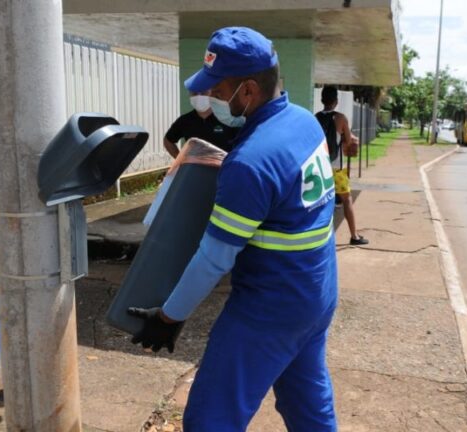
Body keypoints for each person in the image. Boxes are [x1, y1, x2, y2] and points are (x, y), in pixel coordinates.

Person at [127, 27, 338, 431]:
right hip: (316, 294)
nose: (212, 98)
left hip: (268, 310)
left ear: (247, 91)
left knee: (211, 418)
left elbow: (213, 258)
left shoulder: (251, 161)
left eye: (219, 90)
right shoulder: (304, 122)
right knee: (307, 405)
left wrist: (169, 317)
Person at [315, 86, 369, 245]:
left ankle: (319, 236)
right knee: (346, 200)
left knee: (320, 202)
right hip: (336, 168)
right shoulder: (341, 118)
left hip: (319, 166)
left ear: (322, 100)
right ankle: (354, 236)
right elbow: (348, 140)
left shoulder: (315, 117)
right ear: (336, 101)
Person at [163, 90, 239, 158]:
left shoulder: (228, 118)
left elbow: (244, 142)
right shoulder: (185, 120)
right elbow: (168, 140)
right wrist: (180, 160)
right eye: (195, 93)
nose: (199, 96)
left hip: (223, 169)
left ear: (212, 94)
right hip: (195, 170)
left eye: (203, 92)